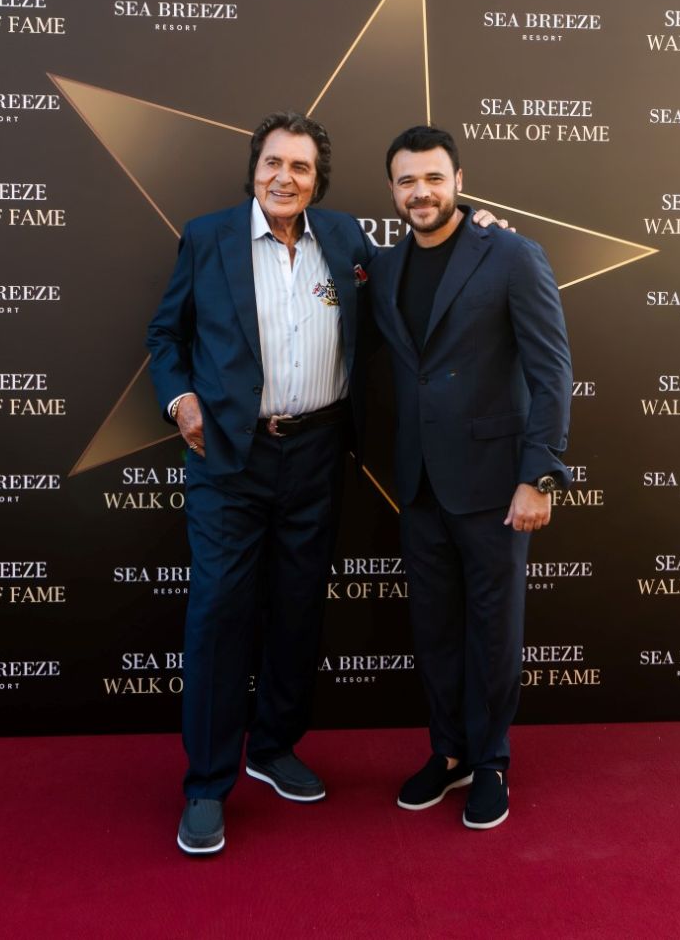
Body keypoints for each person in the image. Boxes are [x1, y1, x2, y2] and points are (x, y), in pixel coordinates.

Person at [146, 111, 501, 856]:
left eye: (301, 167)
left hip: (316, 453)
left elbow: (419, 268)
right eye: (273, 163)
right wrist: (180, 399)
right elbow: (165, 335)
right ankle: (207, 784)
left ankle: (274, 746)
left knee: (299, 608)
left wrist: (477, 230)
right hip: (230, 456)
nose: (285, 178)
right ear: (254, 169)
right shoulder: (207, 237)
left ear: (318, 180)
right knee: (218, 614)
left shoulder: (345, 241)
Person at [367, 125, 573, 830]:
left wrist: (539, 474)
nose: (420, 192)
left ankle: (491, 761)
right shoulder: (385, 268)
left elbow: (552, 372)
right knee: (435, 628)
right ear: (392, 189)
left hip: (494, 480)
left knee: (492, 629)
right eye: (407, 180)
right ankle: (449, 751)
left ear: (458, 179)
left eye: (433, 177)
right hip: (418, 481)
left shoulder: (511, 254)